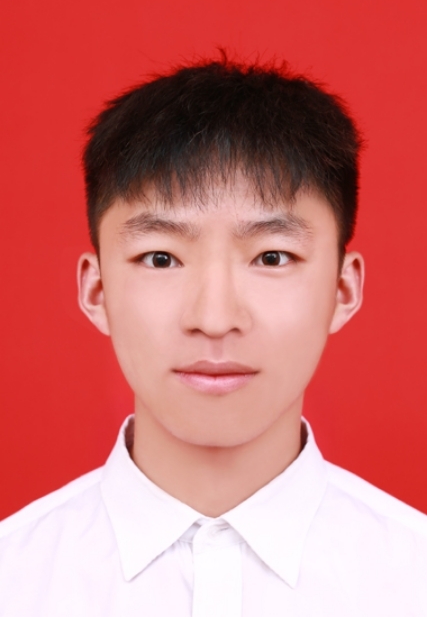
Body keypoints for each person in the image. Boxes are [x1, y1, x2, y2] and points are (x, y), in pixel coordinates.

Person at [1, 54, 426, 617]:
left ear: (343, 289)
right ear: (96, 290)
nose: (215, 317)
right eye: (161, 258)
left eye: (272, 257)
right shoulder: (15, 579)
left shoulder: (412, 578)